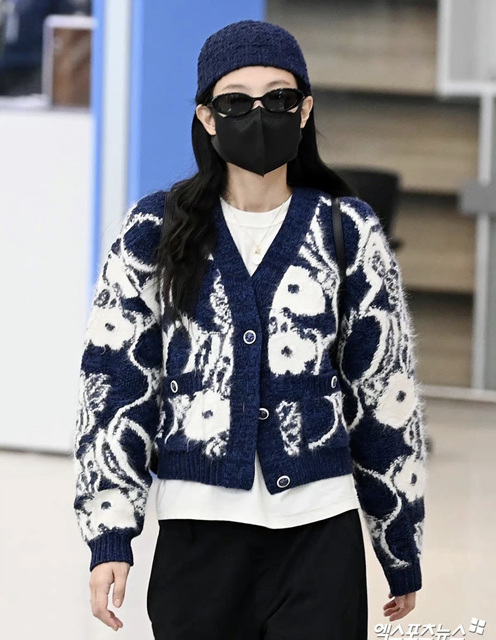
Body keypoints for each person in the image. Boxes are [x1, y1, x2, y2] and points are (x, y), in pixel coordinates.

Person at [73, 19, 428, 640]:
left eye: (279, 99)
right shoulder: (154, 229)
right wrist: (110, 535)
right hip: (197, 535)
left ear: (305, 110)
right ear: (208, 118)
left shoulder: (349, 231)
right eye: (236, 102)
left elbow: (384, 394)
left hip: (320, 532)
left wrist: (398, 543)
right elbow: (116, 384)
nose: (259, 115)